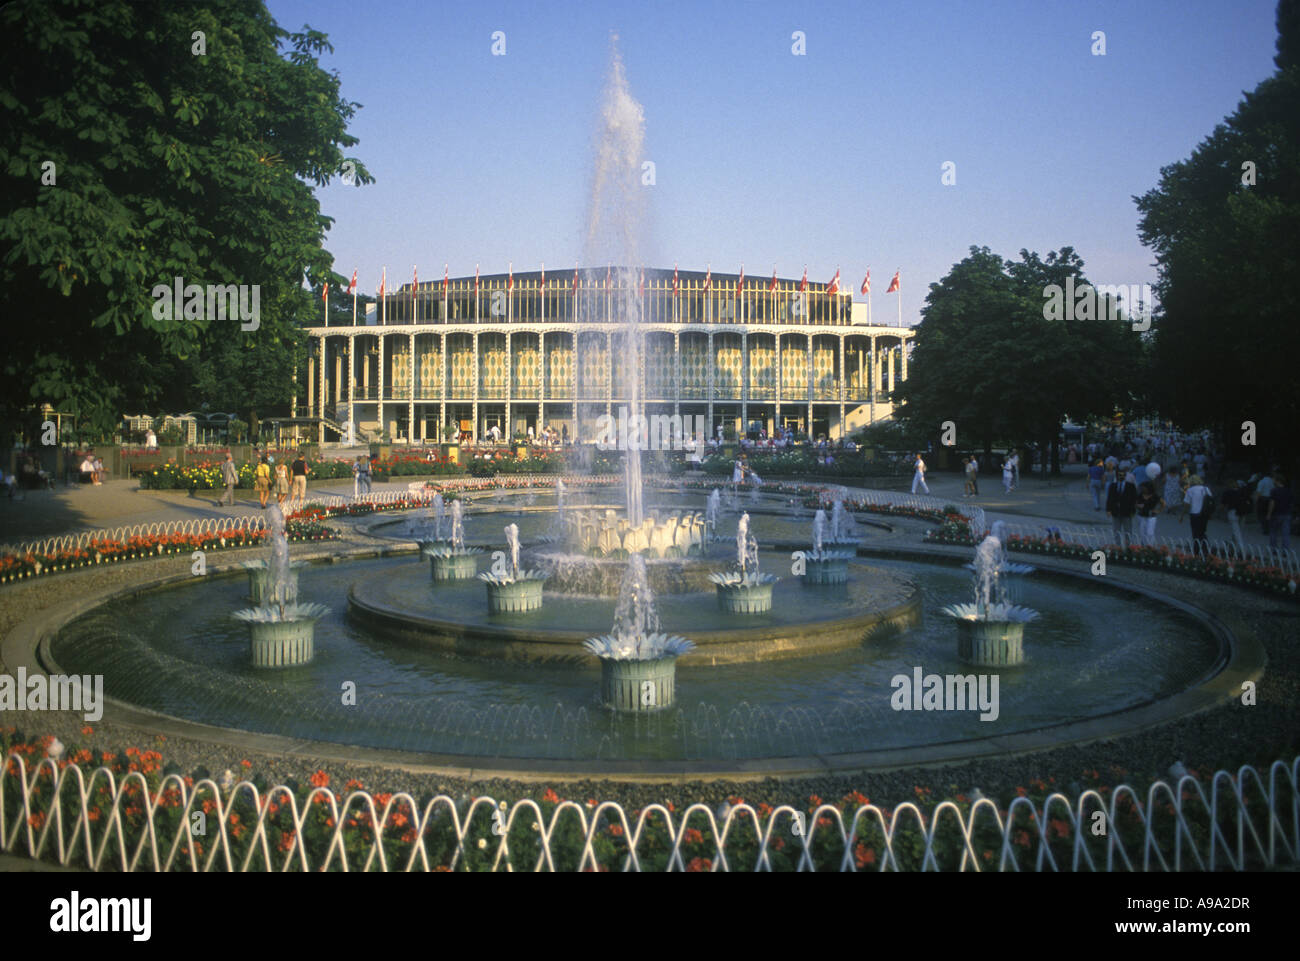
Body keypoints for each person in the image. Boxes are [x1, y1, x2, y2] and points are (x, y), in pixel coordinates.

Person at [1180, 474, 1213, 554]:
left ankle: (1196, 551)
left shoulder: (1190, 490)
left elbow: (1186, 504)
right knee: (1202, 531)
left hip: (1194, 514)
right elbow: (1210, 501)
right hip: (1204, 514)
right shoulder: (1206, 489)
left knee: (1195, 533)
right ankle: (1205, 548)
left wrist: (1182, 515)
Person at [1105, 470, 1137, 547]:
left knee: (1128, 531)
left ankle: (1128, 546)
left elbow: (1134, 499)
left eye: (1123, 475)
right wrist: (1108, 510)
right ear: (1117, 476)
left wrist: (1133, 511)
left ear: (1125, 476)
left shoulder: (1131, 486)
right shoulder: (1112, 485)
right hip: (1115, 511)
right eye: (1119, 475)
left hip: (1127, 512)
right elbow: (1109, 498)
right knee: (1116, 531)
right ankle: (1117, 547)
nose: (1121, 476)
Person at [1266, 473, 1292, 551]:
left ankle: (1273, 549)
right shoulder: (1288, 490)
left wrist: (1268, 514)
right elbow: (1291, 503)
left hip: (1276, 514)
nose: (1273, 481)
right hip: (1287, 514)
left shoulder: (1274, 491)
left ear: (1278, 481)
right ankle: (1285, 550)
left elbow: (1272, 503)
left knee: (1273, 532)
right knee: (1285, 533)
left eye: (1274, 480)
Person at [1221, 479, 1248, 551]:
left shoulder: (1227, 492)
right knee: (1238, 530)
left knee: (1236, 531)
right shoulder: (1243, 492)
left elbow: (1223, 504)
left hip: (1232, 512)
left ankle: (1242, 548)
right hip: (1243, 512)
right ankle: (1232, 545)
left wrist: (1222, 511)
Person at [1135, 479, 1162, 546]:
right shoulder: (1140, 495)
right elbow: (1135, 503)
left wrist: (1158, 510)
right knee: (1142, 532)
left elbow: (1163, 503)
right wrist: (1138, 506)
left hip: (1151, 516)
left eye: (1144, 488)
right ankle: (1143, 545)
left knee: (1150, 532)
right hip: (1141, 515)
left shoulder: (1155, 496)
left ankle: (1150, 545)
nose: (1143, 489)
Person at [1253, 469, 1275, 534]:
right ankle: (1270, 528)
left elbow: (1259, 492)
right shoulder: (1273, 481)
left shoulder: (1262, 482)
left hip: (1263, 499)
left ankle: (1265, 529)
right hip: (1271, 499)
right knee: (1269, 513)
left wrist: (1256, 500)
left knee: (1262, 514)